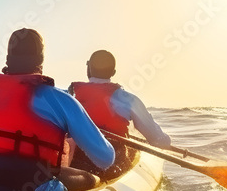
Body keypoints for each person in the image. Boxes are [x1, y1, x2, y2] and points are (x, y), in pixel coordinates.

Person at [0, 29, 115, 191]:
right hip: (29, 190)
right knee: (92, 179)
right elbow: (105, 158)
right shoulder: (60, 99)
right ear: (41, 59)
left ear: (8, 57)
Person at [68, 50, 171, 179]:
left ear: (88, 68)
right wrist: (166, 141)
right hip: (112, 164)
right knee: (131, 151)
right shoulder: (127, 98)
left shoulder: (70, 95)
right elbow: (158, 141)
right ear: (113, 73)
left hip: (75, 161)